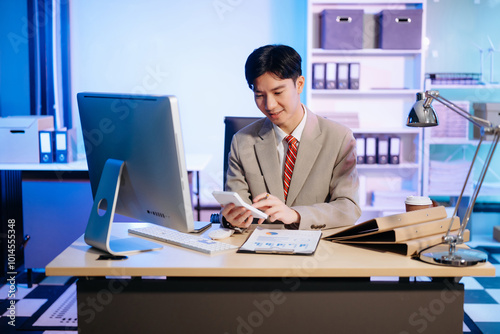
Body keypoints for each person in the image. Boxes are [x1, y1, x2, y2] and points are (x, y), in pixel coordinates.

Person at [221, 44, 361, 230]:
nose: (269, 105)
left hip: (318, 250)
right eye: (259, 95)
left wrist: (295, 214)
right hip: (259, 251)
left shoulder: (339, 138)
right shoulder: (242, 141)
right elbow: (237, 205)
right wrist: (233, 219)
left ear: (299, 84)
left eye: (278, 92)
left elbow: (348, 208)